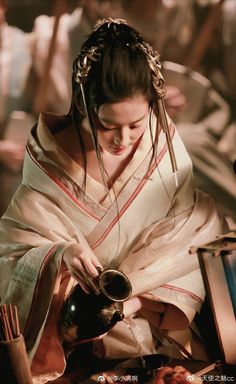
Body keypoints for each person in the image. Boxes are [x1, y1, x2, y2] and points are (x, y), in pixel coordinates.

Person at [0, 19, 228, 383]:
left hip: (158, 325)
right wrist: (60, 254)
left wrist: (131, 297)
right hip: (72, 335)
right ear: (82, 105)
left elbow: (191, 230)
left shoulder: (162, 147)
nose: (124, 139)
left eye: (136, 124)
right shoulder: (50, 159)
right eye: (108, 125)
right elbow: (15, 251)